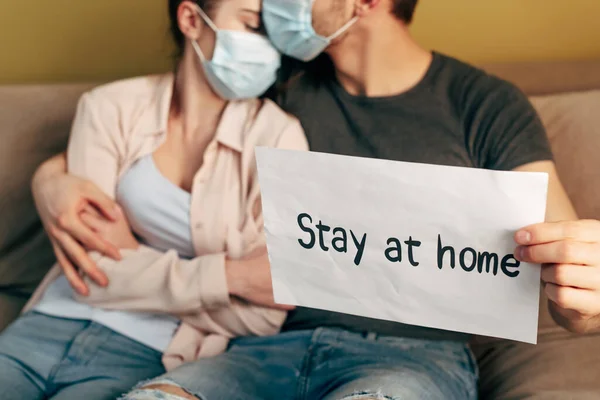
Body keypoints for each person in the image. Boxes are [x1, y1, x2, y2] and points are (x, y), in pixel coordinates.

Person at [32, 0, 600, 399]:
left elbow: (570, 278)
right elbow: (160, 124)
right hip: (264, 349)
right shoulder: (277, 86)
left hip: (413, 356)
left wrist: (583, 295)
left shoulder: (484, 103)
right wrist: (51, 177)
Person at [0, 0, 308, 399]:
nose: (267, 48)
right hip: (47, 324)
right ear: (191, 20)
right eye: (251, 25)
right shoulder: (110, 106)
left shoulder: (279, 138)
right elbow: (90, 270)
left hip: (148, 354)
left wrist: (128, 262)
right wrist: (230, 277)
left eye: (273, 32)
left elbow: (265, 312)